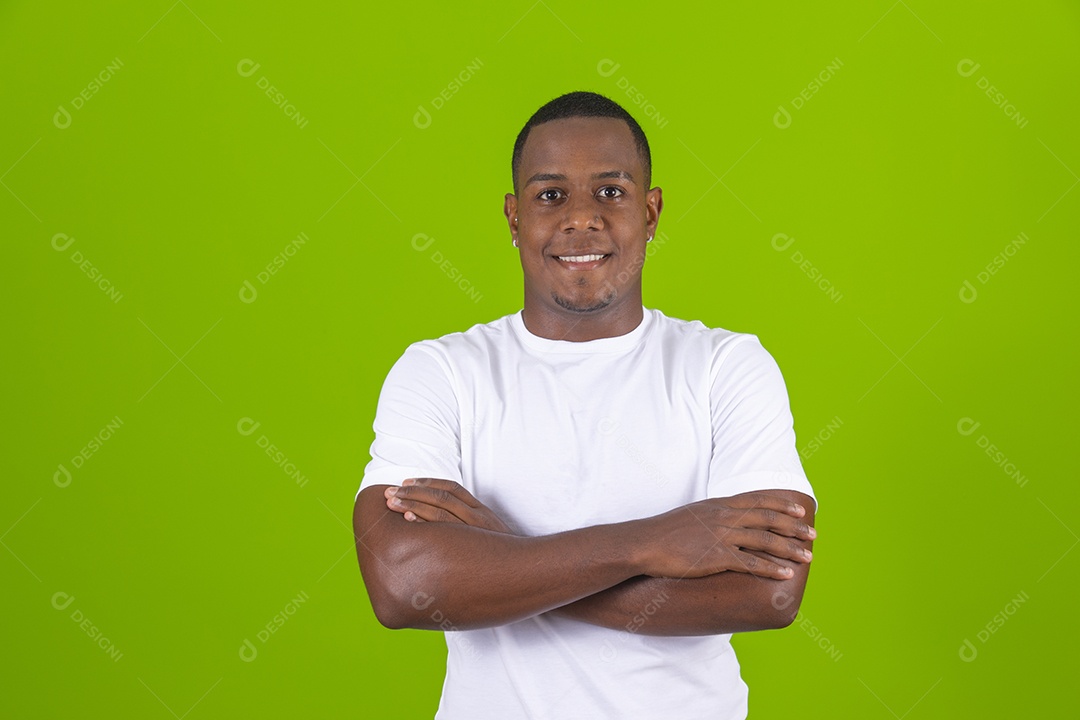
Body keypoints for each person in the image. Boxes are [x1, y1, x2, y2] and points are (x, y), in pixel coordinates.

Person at [352, 90, 817, 720]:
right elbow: (403, 587)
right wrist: (652, 542)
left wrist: (502, 549)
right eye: (550, 195)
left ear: (650, 212)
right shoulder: (441, 371)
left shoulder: (725, 366)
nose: (581, 218)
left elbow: (769, 596)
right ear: (514, 219)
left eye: (610, 192)